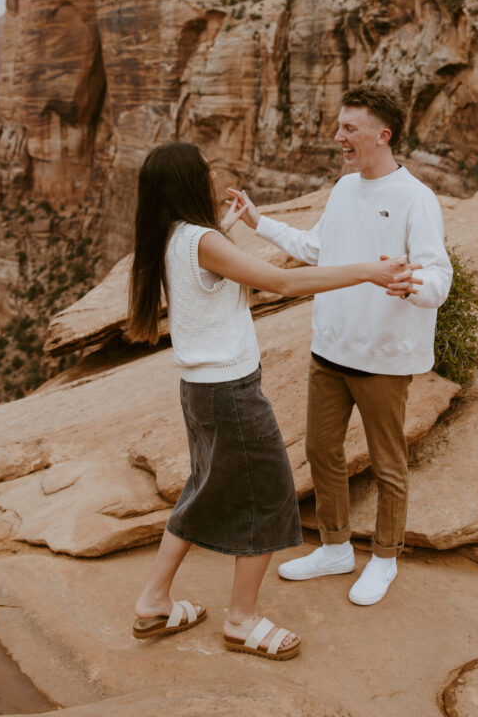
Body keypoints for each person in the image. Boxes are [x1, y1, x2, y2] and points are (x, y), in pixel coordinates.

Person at [128, 140, 417, 660]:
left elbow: (218, 273)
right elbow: (282, 282)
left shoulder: (174, 236)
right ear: (188, 184)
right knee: (267, 499)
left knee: (201, 489)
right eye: (207, 171)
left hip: (198, 390)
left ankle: (153, 601)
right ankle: (241, 621)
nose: (215, 176)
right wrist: (368, 272)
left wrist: (235, 227)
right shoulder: (202, 240)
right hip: (231, 393)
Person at [227, 83, 452, 607]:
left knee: (386, 462)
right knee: (321, 450)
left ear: (382, 134)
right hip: (330, 350)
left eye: (349, 128)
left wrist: (413, 285)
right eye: (340, 127)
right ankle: (334, 548)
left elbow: (439, 274)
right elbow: (316, 248)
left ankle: (385, 559)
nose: (339, 137)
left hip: (383, 357)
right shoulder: (345, 189)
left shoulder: (416, 198)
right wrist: (259, 223)